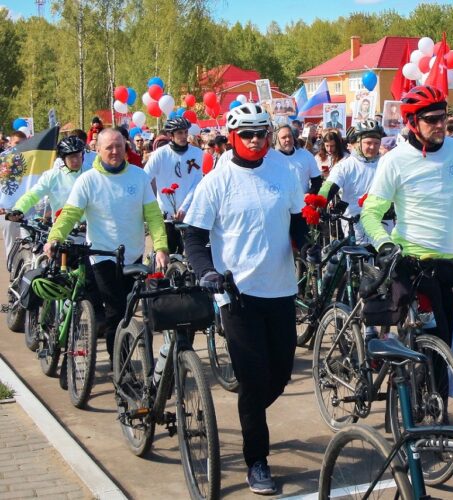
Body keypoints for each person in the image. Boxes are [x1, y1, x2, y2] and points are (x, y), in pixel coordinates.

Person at [183, 103, 306, 495]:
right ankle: (257, 461)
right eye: (246, 134)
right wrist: (206, 271)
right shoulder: (217, 181)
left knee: (279, 375)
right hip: (237, 295)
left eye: (260, 134)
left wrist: (308, 247)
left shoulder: (284, 172)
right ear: (233, 137)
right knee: (253, 381)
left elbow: (297, 222)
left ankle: (249, 409)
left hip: (281, 289)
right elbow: (193, 237)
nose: (255, 141)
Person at [361, 85, 453, 350]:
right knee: (432, 345)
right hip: (416, 264)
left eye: (443, 117)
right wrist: (384, 245)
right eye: (431, 120)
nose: (440, 125)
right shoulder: (395, 160)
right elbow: (371, 213)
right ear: (412, 122)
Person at [44, 128, 169, 357]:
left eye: (119, 146)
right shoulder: (88, 180)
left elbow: (153, 215)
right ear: (98, 150)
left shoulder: (139, 176)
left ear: (125, 147)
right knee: (115, 311)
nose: (114, 151)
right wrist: (55, 237)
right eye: (109, 147)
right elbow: (70, 214)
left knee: (130, 309)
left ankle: (128, 358)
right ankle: (119, 364)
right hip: (102, 255)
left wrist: (160, 247)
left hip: (133, 254)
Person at [319, 119, 389, 245]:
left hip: (383, 224)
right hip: (356, 225)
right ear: (357, 143)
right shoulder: (345, 166)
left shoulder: (386, 163)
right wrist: (319, 204)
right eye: (368, 143)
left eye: (376, 143)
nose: (373, 147)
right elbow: (329, 187)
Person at [143, 117, 204, 254]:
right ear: (171, 135)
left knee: (191, 254)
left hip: (189, 212)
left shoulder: (197, 153)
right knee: (167, 253)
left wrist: (184, 208)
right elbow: (144, 179)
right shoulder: (160, 154)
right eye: (179, 133)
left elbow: (197, 183)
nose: (184, 136)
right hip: (166, 214)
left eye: (185, 132)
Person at [6, 137, 91, 224]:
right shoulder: (52, 176)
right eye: (71, 157)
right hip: (61, 228)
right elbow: (32, 195)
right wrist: (18, 209)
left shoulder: (91, 173)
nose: (75, 160)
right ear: (63, 158)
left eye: (78, 155)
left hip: (90, 228)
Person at [274, 124, 322, 194]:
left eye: (290, 136)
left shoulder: (306, 155)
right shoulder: (271, 158)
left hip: (302, 199)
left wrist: (309, 195)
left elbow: (317, 181)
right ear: (277, 140)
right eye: (284, 137)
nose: (288, 139)